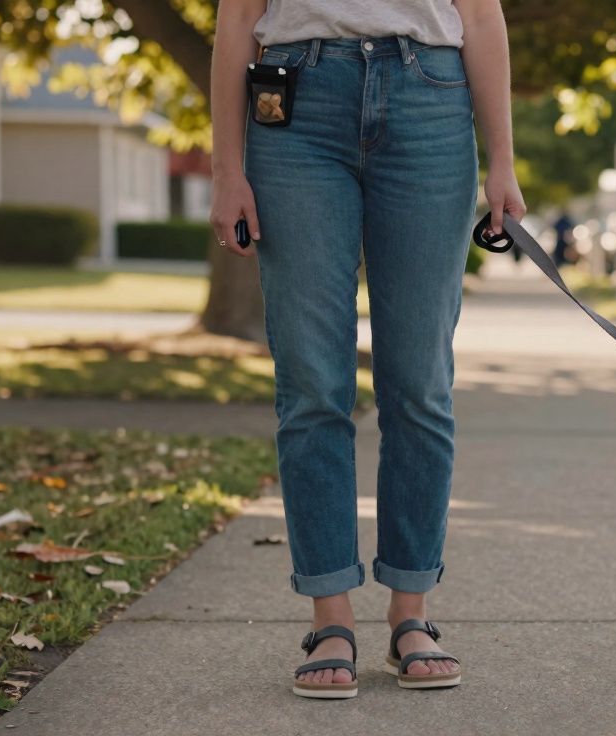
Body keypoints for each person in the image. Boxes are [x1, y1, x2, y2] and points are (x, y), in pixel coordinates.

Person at [209, 0, 525, 698]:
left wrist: (502, 161)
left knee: (417, 384)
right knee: (313, 384)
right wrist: (227, 169)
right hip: (295, 104)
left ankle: (411, 611)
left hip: (431, 101)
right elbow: (237, 18)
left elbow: (479, 14)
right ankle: (331, 617)